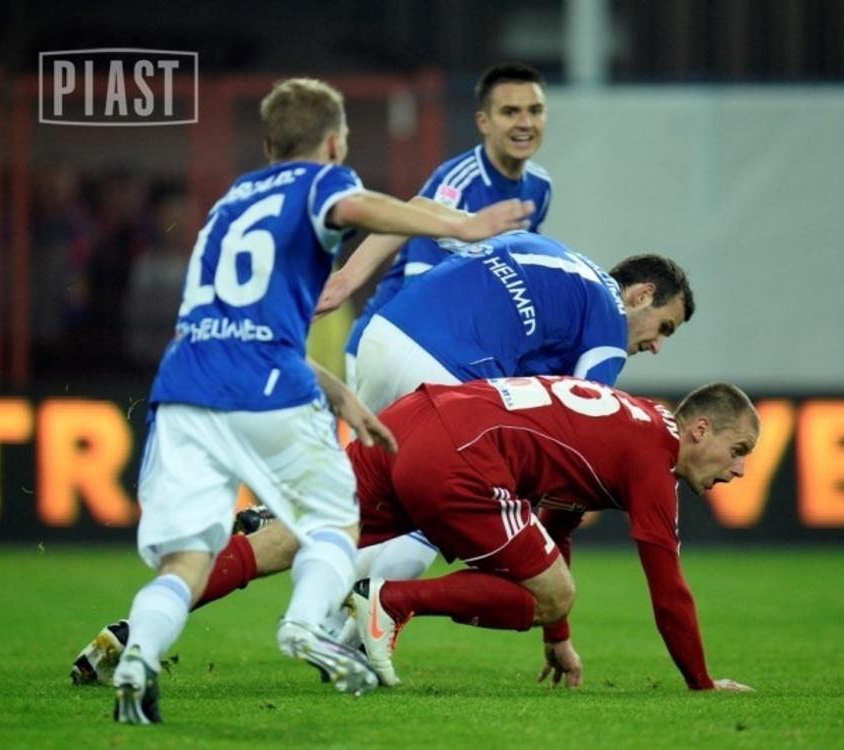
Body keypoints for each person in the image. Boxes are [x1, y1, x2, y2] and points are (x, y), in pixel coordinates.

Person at [107, 76, 533, 724]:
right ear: (334, 142)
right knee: (334, 524)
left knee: (186, 560)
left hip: (184, 393)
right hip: (268, 390)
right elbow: (358, 208)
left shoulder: (224, 210)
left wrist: (341, 398)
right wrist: (462, 224)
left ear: (268, 144)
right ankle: (306, 624)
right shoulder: (320, 182)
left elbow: (242, 327)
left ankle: (138, 658)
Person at [345, 375, 760, 690]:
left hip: (418, 414)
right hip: (461, 452)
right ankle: (390, 601)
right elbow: (668, 592)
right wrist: (702, 683)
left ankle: (344, 635)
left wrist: (557, 634)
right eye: (738, 450)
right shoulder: (654, 459)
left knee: (315, 534)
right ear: (700, 429)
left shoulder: (635, 421)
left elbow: (557, 530)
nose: (740, 469)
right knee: (557, 593)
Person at [340, 62, 551, 390]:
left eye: (535, 111)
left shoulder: (539, 186)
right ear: (483, 122)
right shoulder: (456, 184)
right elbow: (420, 289)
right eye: (510, 112)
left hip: (451, 351)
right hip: (396, 346)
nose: (525, 123)